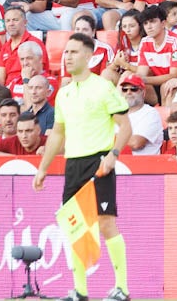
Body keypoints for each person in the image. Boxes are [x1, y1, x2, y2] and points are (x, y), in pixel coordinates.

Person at [32, 33, 132, 301]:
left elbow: (125, 127)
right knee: (75, 226)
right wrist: (43, 168)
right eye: (66, 52)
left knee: (105, 222)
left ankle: (122, 288)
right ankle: (80, 291)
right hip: (73, 164)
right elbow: (57, 134)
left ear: (89, 57)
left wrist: (114, 154)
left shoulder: (103, 87)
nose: (68, 56)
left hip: (98, 160)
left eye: (74, 52)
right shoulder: (63, 93)